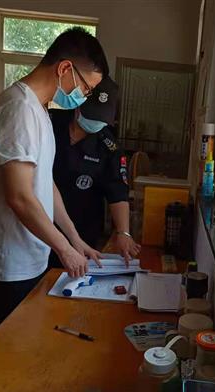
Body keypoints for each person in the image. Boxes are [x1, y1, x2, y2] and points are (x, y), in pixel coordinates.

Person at [0, 27, 107, 346]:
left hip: (30, 258)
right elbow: (19, 196)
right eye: (86, 88)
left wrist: (74, 239)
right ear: (65, 69)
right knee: (2, 356)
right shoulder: (18, 109)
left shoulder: (39, 110)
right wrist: (64, 249)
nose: (83, 97)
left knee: (25, 348)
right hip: (8, 267)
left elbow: (45, 183)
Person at [49, 76, 141, 268]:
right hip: (41, 225)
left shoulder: (109, 147)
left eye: (101, 118)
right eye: (92, 114)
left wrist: (123, 232)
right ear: (78, 106)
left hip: (83, 231)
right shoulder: (50, 123)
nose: (95, 122)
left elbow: (118, 191)